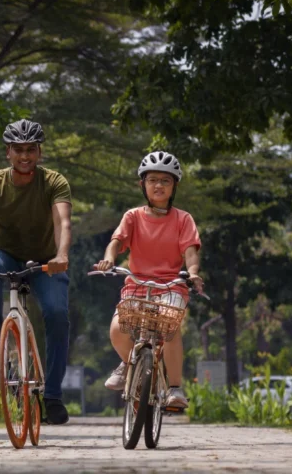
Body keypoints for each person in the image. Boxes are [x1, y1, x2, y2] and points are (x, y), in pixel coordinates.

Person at [0, 119, 73, 425]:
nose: (24, 156)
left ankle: (51, 395)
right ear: (8, 153)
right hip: (7, 256)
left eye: (30, 150)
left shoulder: (54, 182)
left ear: (39, 152)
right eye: (18, 150)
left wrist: (61, 255)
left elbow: (63, 222)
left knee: (56, 315)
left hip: (45, 261)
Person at [94, 150, 204, 409]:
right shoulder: (133, 216)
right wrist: (109, 259)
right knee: (118, 329)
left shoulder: (183, 218)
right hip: (136, 283)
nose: (158, 185)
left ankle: (175, 388)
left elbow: (191, 251)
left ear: (174, 185)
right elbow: (116, 242)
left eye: (165, 181)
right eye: (152, 179)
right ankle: (129, 362)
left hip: (171, 285)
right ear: (142, 184)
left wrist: (194, 272)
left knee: (170, 326)